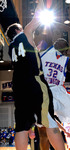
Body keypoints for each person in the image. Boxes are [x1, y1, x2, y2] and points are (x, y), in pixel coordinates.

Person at [5, 1, 66, 150]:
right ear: (19, 30)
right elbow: (37, 19)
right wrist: (41, 3)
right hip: (34, 83)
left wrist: (36, 52)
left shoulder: (11, 48)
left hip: (19, 87)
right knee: (49, 121)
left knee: (21, 127)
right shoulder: (25, 33)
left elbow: (26, 57)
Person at [34, 25, 70, 150]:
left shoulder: (66, 59)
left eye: (64, 43)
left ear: (66, 51)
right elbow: (47, 27)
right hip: (44, 92)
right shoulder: (46, 50)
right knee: (43, 132)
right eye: (58, 41)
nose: (60, 41)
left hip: (60, 91)